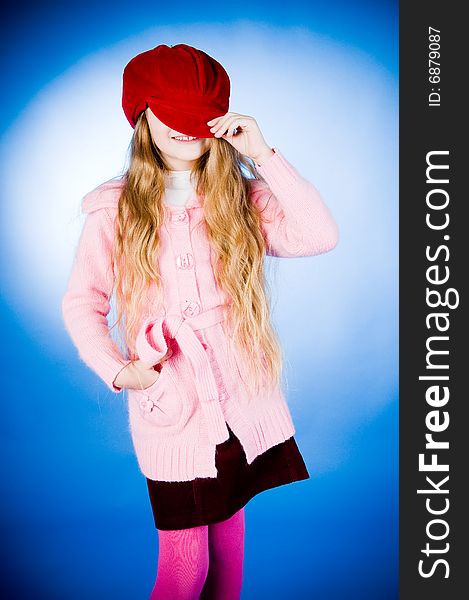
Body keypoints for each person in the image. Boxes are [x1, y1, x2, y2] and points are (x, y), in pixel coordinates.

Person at [61, 43, 339, 599]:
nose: (186, 133)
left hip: (241, 401)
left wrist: (264, 153)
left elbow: (318, 235)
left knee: (228, 557)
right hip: (175, 408)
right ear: (142, 116)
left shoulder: (239, 199)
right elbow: (82, 301)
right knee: (185, 569)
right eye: (173, 119)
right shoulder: (113, 209)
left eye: (198, 121)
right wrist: (121, 370)